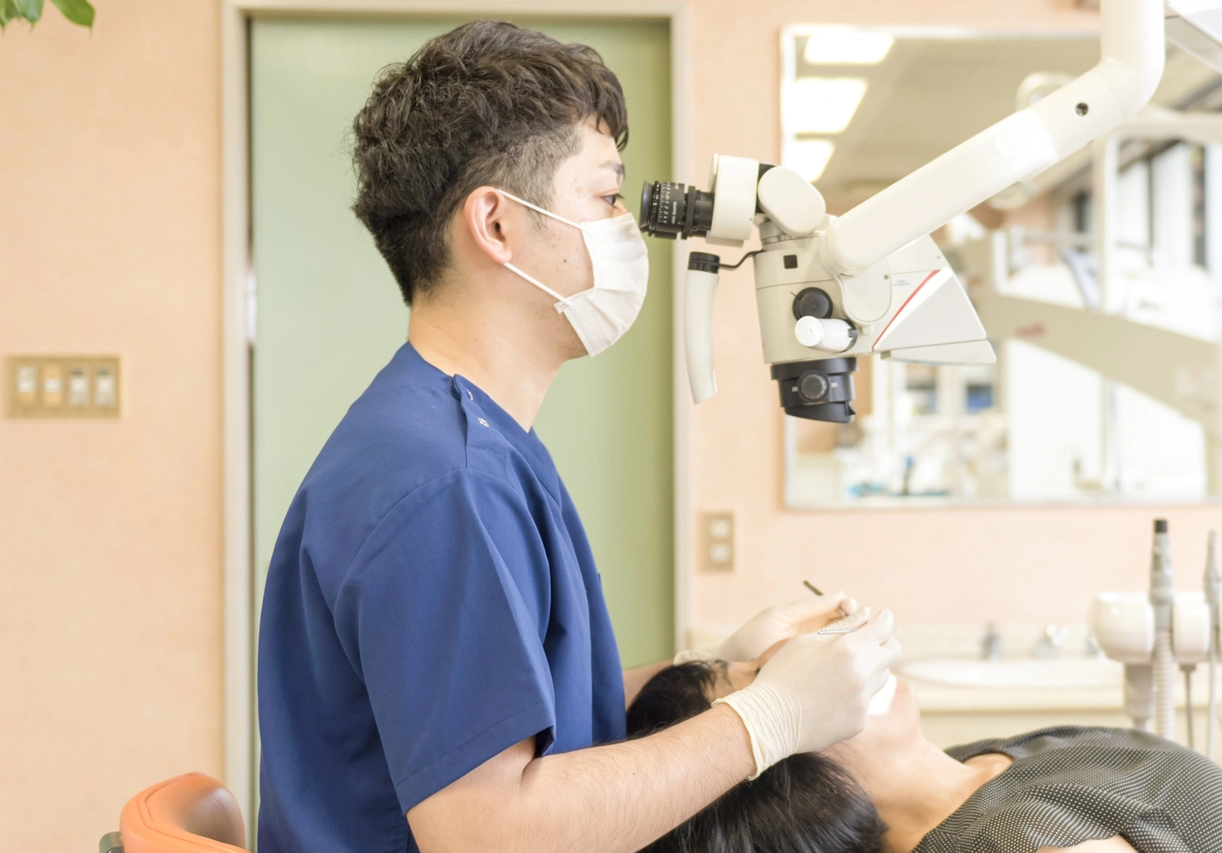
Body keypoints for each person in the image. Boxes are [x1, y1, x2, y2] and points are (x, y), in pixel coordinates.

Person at [255, 20, 901, 853]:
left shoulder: (460, 439)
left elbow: (505, 727)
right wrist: (766, 721)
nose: (628, 227)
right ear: (496, 225)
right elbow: (492, 830)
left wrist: (715, 670)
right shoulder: (446, 482)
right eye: (604, 196)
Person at [627, 659, 1222, 853]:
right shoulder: (1010, 843)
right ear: (782, 786)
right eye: (773, 677)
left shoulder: (972, 768)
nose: (822, 654)